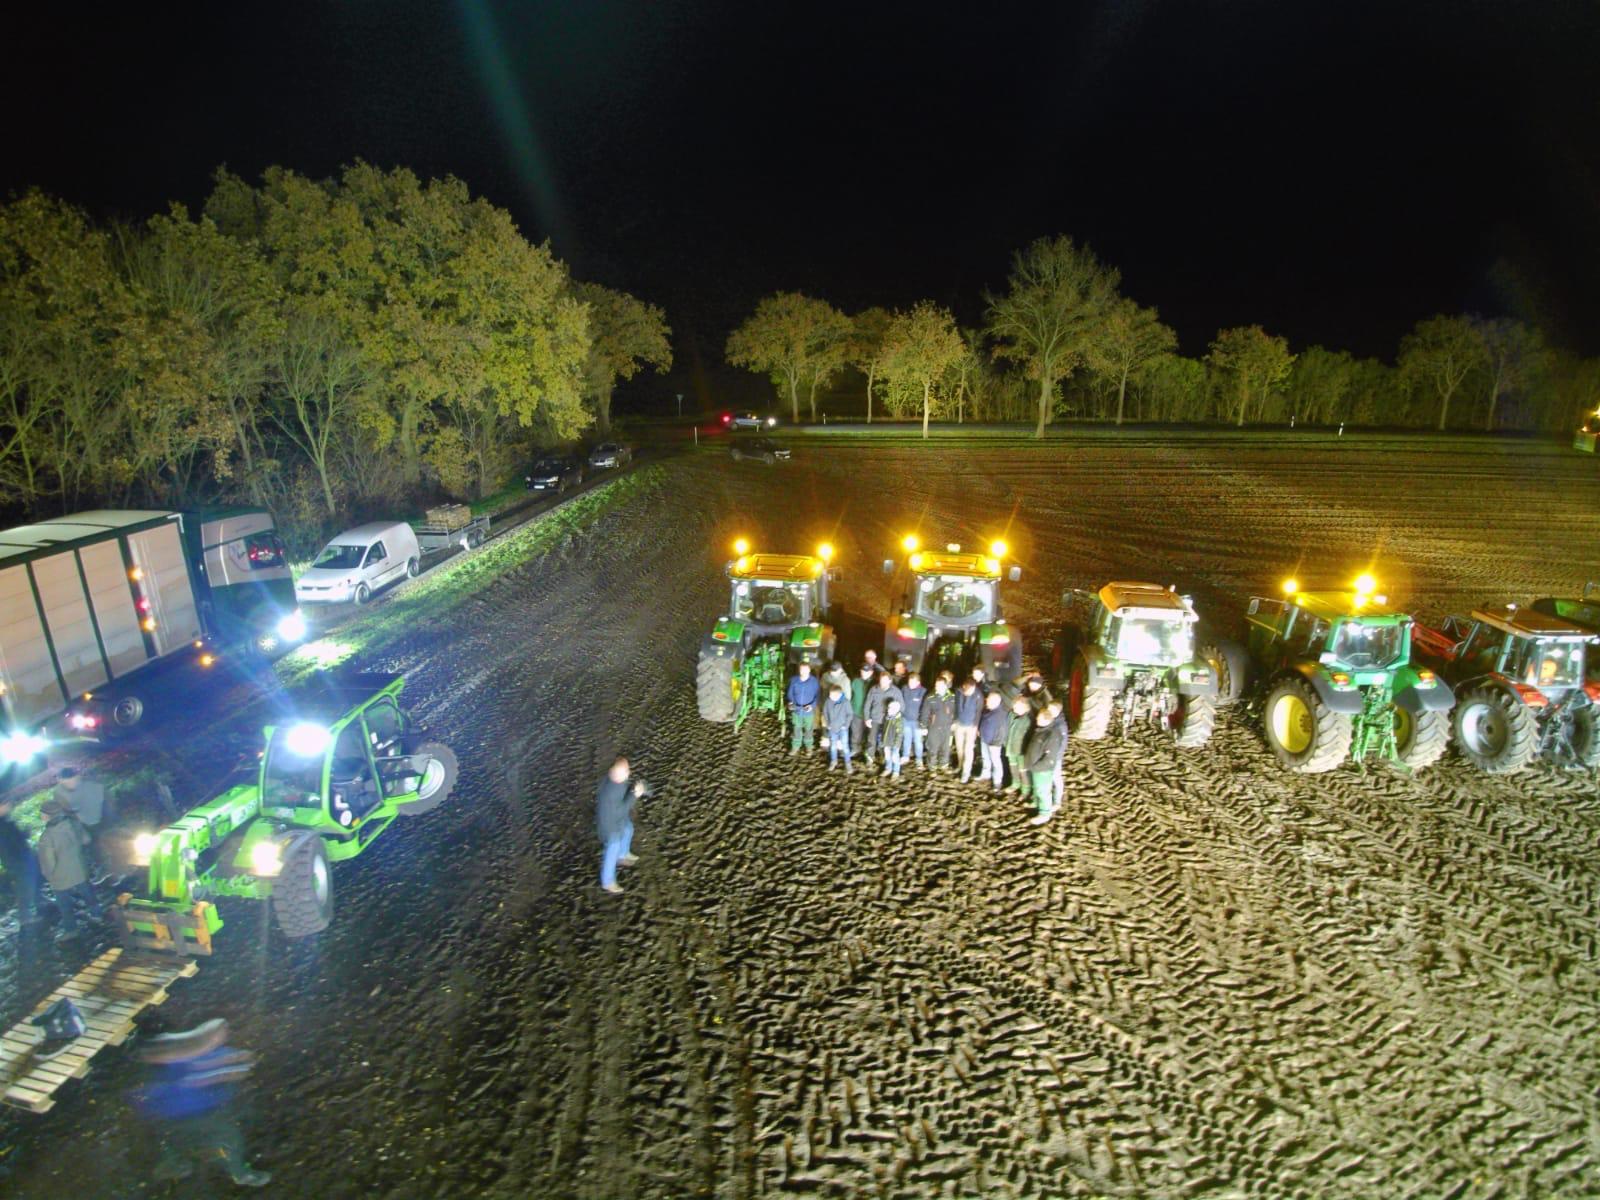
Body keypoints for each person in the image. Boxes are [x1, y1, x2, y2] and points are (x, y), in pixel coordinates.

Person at [131, 1017, 271, 1187]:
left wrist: (233, 1061)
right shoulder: (172, 1059)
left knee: (172, 1139)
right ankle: (239, 1174)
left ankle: (175, 1163)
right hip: (185, 1112)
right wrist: (227, 1069)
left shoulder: (194, 1051)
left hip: (182, 1113)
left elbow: (212, 1066)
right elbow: (193, 1077)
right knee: (230, 1138)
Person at [36, 798, 97, 942]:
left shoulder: (47, 837)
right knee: (88, 893)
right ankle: (97, 915)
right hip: (80, 868)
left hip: (60, 877)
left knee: (64, 904)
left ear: (47, 816)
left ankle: (71, 930)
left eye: (42, 814)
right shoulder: (74, 824)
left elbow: (48, 862)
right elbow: (86, 840)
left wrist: (48, 876)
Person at [596, 758, 647, 895]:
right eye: (626, 771)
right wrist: (635, 795)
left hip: (617, 819)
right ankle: (608, 882)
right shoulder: (612, 792)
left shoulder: (615, 781)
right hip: (610, 825)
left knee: (628, 829)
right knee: (613, 846)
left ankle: (623, 855)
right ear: (616, 774)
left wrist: (633, 791)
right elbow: (621, 809)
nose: (629, 773)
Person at [0, 800, 43, 927]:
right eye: (3, 804)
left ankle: (39, 902)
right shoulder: (3, 825)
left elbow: (16, 838)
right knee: (24, 887)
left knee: (31, 881)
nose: (8, 805)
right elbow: (10, 844)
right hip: (17, 860)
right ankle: (25, 918)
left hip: (20, 858)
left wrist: (25, 834)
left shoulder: (6, 821)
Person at [1024, 709, 1065, 825]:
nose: (1036, 719)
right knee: (1037, 788)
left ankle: (1045, 813)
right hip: (1035, 767)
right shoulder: (1042, 730)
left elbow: (1050, 758)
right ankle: (1036, 803)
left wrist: (1037, 767)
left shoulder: (1052, 735)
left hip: (1042, 770)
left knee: (1043, 791)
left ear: (1046, 720)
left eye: (1039, 718)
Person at [863, 672, 905, 764]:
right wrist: (867, 718)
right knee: (871, 739)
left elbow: (902, 706)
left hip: (889, 720)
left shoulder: (896, 691)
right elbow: (867, 704)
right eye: (881, 680)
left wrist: (895, 717)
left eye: (885, 680)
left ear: (890, 680)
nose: (883, 682)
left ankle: (883, 757)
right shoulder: (874, 689)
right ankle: (870, 757)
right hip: (875, 718)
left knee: (885, 739)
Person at [1003, 695, 1035, 803]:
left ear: (1025, 707)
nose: (1014, 708)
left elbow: (1030, 737)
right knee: (1013, 767)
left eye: (1016, 707)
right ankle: (1015, 783)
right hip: (1011, 747)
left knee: (1023, 771)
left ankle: (1025, 790)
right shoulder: (1011, 715)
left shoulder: (1028, 720)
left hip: (1022, 751)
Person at [921, 676, 956, 771]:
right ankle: (932, 766)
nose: (937, 688)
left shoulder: (952, 697)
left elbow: (955, 711)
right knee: (933, 746)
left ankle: (944, 764)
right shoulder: (930, 697)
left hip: (947, 726)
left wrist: (954, 722)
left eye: (940, 686)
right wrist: (923, 726)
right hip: (934, 726)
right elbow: (925, 712)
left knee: (946, 747)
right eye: (936, 686)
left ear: (945, 686)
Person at [785, 662, 820, 756]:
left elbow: (817, 696)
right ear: (799, 670)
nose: (803, 672)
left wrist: (812, 706)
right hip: (797, 710)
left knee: (808, 730)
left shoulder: (814, 682)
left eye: (805, 670)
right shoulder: (794, 680)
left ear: (809, 670)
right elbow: (790, 693)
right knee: (796, 729)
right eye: (801, 670)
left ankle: (809, 748)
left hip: (808, 712)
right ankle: (795, 747)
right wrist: (791, 702)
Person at [976, 691, 1008, 790]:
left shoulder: (1000, 715)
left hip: (994, 743)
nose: (986, 701)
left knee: (996, 762)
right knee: (986, 758)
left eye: (988, 700)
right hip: (985, 739)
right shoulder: (988, 710)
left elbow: (1002, 731)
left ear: (995, 701)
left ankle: (997, 782)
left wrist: (996, 742)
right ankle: (985, 775)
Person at [953, 678, 982, 782]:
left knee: (968, 750)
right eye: (966, 691)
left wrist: (975, 726)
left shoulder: (978, 696)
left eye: (970, 691)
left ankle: (966, 773)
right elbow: (956, 706)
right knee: (959, 747)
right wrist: (955, 721)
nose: (967, 693)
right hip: (959, 724)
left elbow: (978, 712)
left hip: (971, 726)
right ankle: (960, 765)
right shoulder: (959, 691)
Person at [824, 684, 854, 773]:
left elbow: (850, 714)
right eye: (830, 694)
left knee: (845, 746)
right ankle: (833, 761)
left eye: (832, 695)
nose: (830, 696)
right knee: (833, 745)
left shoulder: (845, 702)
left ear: (839, 695)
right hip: (832, 728)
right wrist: (828, 723)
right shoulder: (828, 701)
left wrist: (846, 725)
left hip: (842, 728)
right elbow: (825, 712)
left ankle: (848, 763)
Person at [1045, 699, 1069, 813]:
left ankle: (1057, 801)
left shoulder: (1060, 726)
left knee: (1056, 777)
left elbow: (1062, 744)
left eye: (1050, 709)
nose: (1047, 711)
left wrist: (1055, 756)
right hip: (1050, 755)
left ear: (1057, 711)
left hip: (1055, 757)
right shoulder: (1053, 721)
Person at [900, 673, 928, 769]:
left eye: (912, 682)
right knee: (906, 739)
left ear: (918, 682)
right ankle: (905, 756)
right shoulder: (904, 689)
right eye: (909, 682)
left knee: (918, 741)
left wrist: (923, 722)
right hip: (905, 719)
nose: (910, 684)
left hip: (917, 721)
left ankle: (919, 759)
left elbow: (925, 707)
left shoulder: (923, 691)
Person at [850, 665, 874, 763]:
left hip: (870, 715)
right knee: (856, 733)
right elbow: (851, 695)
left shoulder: (874, 683)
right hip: (857, 712)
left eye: (867, 671)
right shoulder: (855, 682)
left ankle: (868, 753)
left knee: (870, 735)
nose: (864, 673)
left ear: (871, 672)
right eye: (863, 671)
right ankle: (855, 749)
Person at [880, 700, 907, 778]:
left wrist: (897, 744)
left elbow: (899, 734)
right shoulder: (887, 718)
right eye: (888, 708)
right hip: (886, 741)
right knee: (887, 756)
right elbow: (884, 730)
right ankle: (888, 769)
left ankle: (896, 771)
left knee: (895, 757)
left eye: (890, 708)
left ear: (896, 710)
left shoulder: (899, 720)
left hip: (894, 743)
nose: (888, 709)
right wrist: (882, 739)